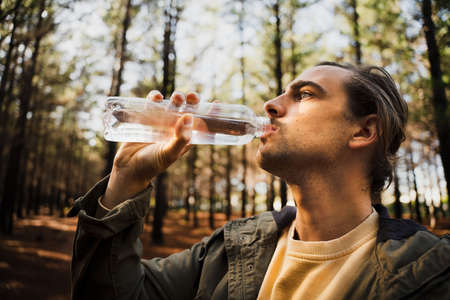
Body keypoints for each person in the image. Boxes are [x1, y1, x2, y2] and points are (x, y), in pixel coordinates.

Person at [69, 62, 449, 300]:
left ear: (364, 131)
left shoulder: (428, 274)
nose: (271, 104)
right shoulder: (228, 251)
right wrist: (125, 180)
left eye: (304, 94)